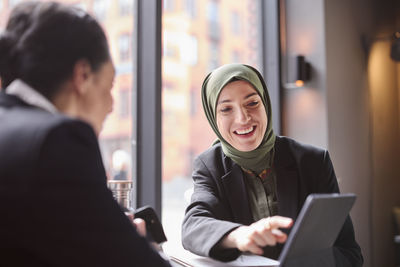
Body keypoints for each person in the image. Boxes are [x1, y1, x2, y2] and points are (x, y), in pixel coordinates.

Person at [0, 2, 170, 266]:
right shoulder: (57, 141)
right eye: (110, 85)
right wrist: (130, 241)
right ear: (83, 75)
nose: (112, 104)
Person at [181, 63, 363, 266]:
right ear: (213, 117)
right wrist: (241, 235)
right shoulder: (209, 166)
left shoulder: (313, 161)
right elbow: (193, 226)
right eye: (226, 109)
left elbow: (349, 253)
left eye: (252, 103)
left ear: (265, 103)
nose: (243, 118)